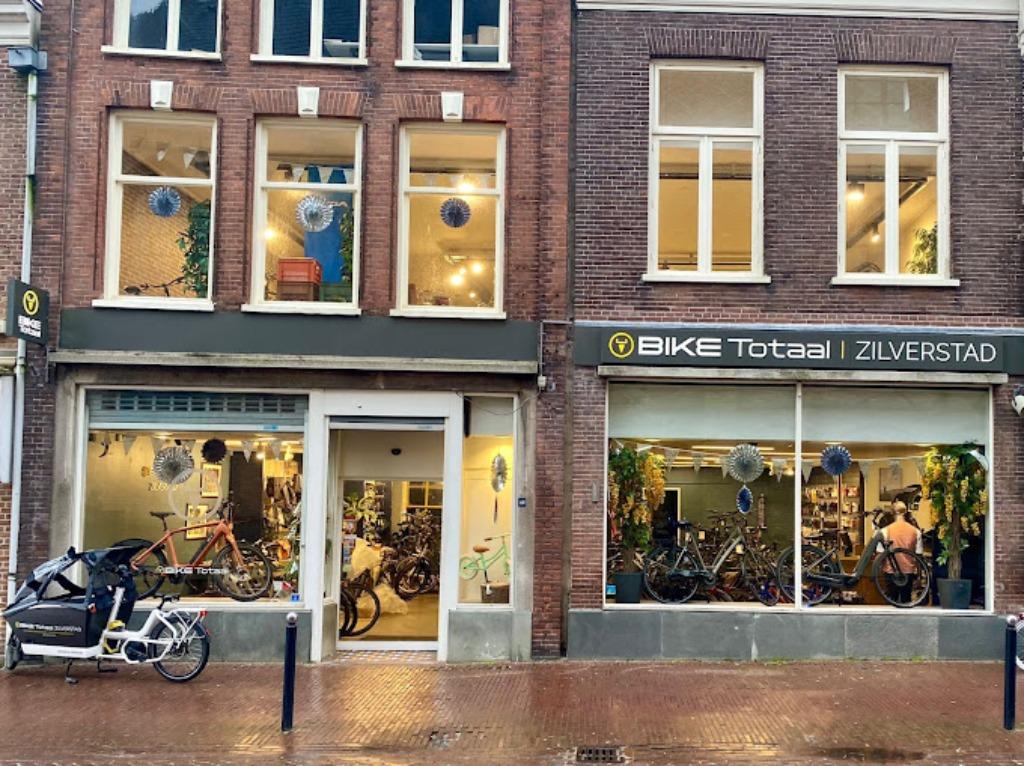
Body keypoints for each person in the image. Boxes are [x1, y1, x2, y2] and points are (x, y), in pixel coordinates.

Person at [876, 501, 924, 605]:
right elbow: (919, 556)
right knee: (906, 601)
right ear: (906, 513)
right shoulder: (916, 532)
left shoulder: (885, 531)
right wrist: (919, 576)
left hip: (890, 571)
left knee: (891, 601)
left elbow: (880, 555)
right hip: (908, 572)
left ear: (892, 513)